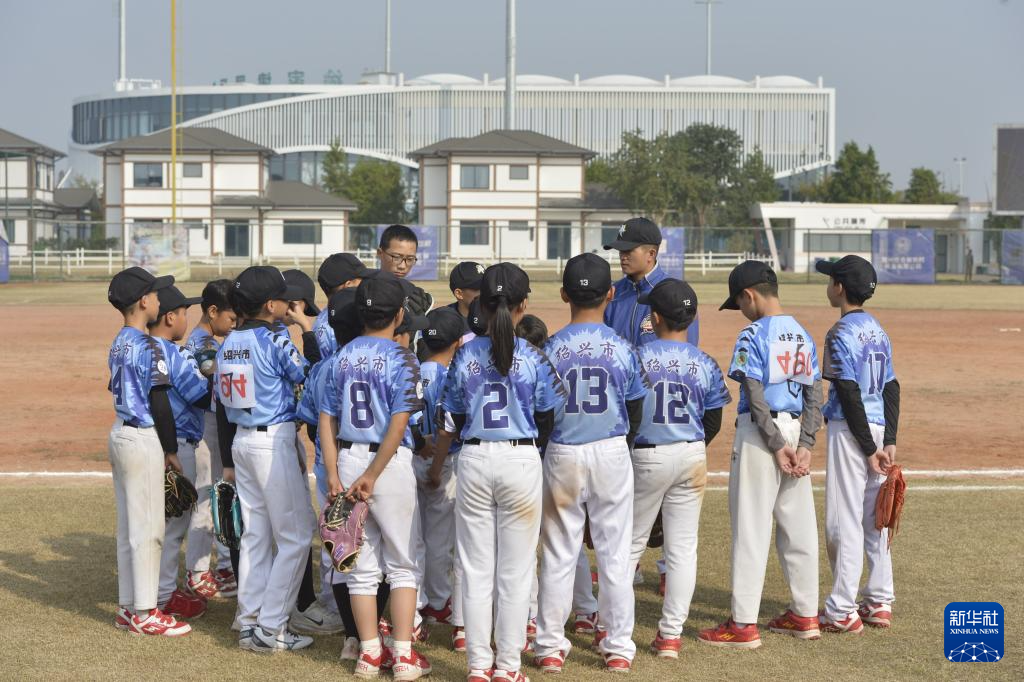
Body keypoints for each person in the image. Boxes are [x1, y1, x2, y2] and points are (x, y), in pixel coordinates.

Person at [439, 263, 566, 682]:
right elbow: (547, 415)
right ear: (523, 304)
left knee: (475, 569)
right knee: (515, 571)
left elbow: (453, 412)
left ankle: (478, 664)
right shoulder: (534, 355)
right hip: (520, 457)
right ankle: (508, 666)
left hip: (474, 457)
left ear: (481, 304)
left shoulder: (465, 353)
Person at [698, 261, 823, 649]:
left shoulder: (752, 333)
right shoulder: (802, 333)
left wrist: (774, 443)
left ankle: (743, 625)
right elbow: (815, 395)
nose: (742, 311)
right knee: (799, 527)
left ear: (748, 295)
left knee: (751, 530)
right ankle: (805, 615)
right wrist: (804, 444)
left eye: (739, 303)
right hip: (795, 431)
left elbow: (752, 394)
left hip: (761, 436)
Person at [533, 253, 648, 674]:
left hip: (562, 450)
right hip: (612, 449)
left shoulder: (549, 348)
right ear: (611, 294)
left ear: (564, 294)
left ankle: (549, 645)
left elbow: (541, 411)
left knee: (560, 553)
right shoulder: (624, 348)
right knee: (615, 555)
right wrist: (622, 441)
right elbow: (635, 408)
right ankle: (617, 646)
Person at [319, 272, 431, 681]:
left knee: (362, 566)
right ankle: (402, 655)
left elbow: (326, 421)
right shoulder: (403, 358)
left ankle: (368, 654)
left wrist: (333, 473)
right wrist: (374, 472)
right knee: (402, 562)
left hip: (348, 457)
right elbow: (399, 425)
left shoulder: (340, 358)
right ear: (399, 313)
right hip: (388, 463)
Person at [215, 265, 317, 653]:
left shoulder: (227, 341)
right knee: (294, 537)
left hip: (242, 441)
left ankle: (249, 620)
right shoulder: (273, 339)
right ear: (271, 303)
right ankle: (270, 627)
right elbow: (305, 372)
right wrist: (305, 329)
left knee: (257, 536)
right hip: (271, 440)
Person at [628, 279, 731, 659]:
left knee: (630, 546)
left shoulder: (637, 356)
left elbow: (627, 413)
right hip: (691, 454)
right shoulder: (704, 362)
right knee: (683, 549)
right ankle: (670, 637)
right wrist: (692, 446)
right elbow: (714, 419)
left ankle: (614, 630)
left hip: (647, 455)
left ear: (654, 318)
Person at [816, 255, 900, 633]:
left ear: (839, 288)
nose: (828, 284)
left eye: (830, 279)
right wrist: (888, 441)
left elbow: (847, 391)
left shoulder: (840, 333)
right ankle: (879, 600)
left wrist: (867, 449)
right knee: (874, 519)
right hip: (878, 428)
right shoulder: (877, 329)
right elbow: (892, 386)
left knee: (843, 518)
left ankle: (841, 609)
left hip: (852, 432)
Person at [106, 266, 191, 636]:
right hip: (142, 437)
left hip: (119, 433)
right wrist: (171, 450)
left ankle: (129, 607)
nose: (159, 299)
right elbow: (159, 401)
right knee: (150, 528)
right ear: (143, 301)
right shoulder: (149, 345)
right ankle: (145, 612)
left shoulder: (119, 340)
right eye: (155, 294)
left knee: (129, 527)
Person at [148, 285, 214, 623]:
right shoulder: (173, 354)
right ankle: (162, 596)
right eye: (184, 312)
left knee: (154, 524)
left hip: (149, 441)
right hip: (178, 445)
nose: (187, 317)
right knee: (174, 526)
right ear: (170, 316)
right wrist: (218, 374)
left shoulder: (143, 347)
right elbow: (201, 398)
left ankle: (152, 591)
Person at [412, 307, 468, 652]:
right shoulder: (452, 375)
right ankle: (437, 601)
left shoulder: (415, 369)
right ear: (459, 341)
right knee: (439, 538)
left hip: (411, 456)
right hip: (442, 461)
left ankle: (421, 602)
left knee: (411, 535)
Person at [182, 279, 238, 600]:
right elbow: (209, 368)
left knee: (217, 495)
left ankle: (221, 566)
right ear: (212, 311)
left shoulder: (212, 338)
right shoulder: (203, 342)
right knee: (207, 498)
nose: (234, 325)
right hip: (206, 427)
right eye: (231, 319)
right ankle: (198, 572)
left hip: (213, 424)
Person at [603, 217, 699, 348]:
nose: (622, 256)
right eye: (620, 250)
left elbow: (687, 350)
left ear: (651, 254)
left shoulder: (676, 294)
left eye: (628, 250)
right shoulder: (613, 293)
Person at [314, 253, 373, 357]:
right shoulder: (334, 324)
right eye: (362, 280)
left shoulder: (321, 321)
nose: (366, 284)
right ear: (349, 286)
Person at [378, 224, 433, 317]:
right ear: (380, 253)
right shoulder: (361, 292)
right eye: (396, 257)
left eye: (410, 259)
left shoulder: (421, 300)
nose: (402, 266)